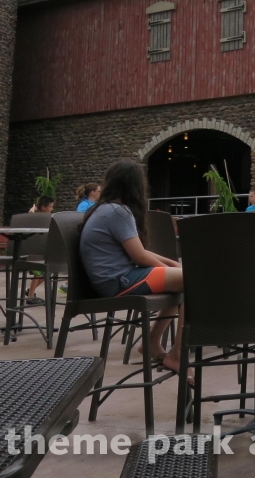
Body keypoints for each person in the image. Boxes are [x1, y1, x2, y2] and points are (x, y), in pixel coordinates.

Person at [79, 159, 187, 377]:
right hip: (119, 281)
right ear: (136, 186)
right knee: (193, 279)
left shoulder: (106, 210)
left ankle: (152, 343)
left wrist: (173, 266)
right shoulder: (118, 212)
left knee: (183, 279)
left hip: (115, 279)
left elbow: (140, 253)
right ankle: (177, 355)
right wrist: (171, 271)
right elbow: (139, 256)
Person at [23, 196, 55, 306]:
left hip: (43, 249)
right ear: (43, 207)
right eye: (50, 207)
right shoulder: (35, 216)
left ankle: (29, 291)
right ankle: (30, 296)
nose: (52, 209)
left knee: (47, 272)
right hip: (33, 250)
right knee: (38, 271)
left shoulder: (48, 217)